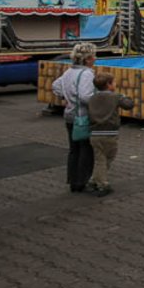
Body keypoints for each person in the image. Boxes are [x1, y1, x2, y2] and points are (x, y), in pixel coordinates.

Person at [51, 42, 97, 192]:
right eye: (93, 56)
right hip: (83, 116)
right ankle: (82, 181)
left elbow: (56, 86)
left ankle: (73, 181)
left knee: (74, 149)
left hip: (69, 115)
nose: (95, 58)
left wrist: (66, 97)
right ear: (87, 59)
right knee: (86, 149)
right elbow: (85, 96)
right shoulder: (87, 74)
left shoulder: (69, 72)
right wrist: (97, 101)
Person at [87, 72, 134, 197]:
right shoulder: (115, 97)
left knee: (99, 158)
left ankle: (94, 180)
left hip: (94, 133)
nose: (115, 84)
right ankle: (102, 184)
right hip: (109, 133)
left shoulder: (92, 98)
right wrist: (125, 96)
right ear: (109, 84)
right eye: (114, 82)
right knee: (107, 158)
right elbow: (129, 105)